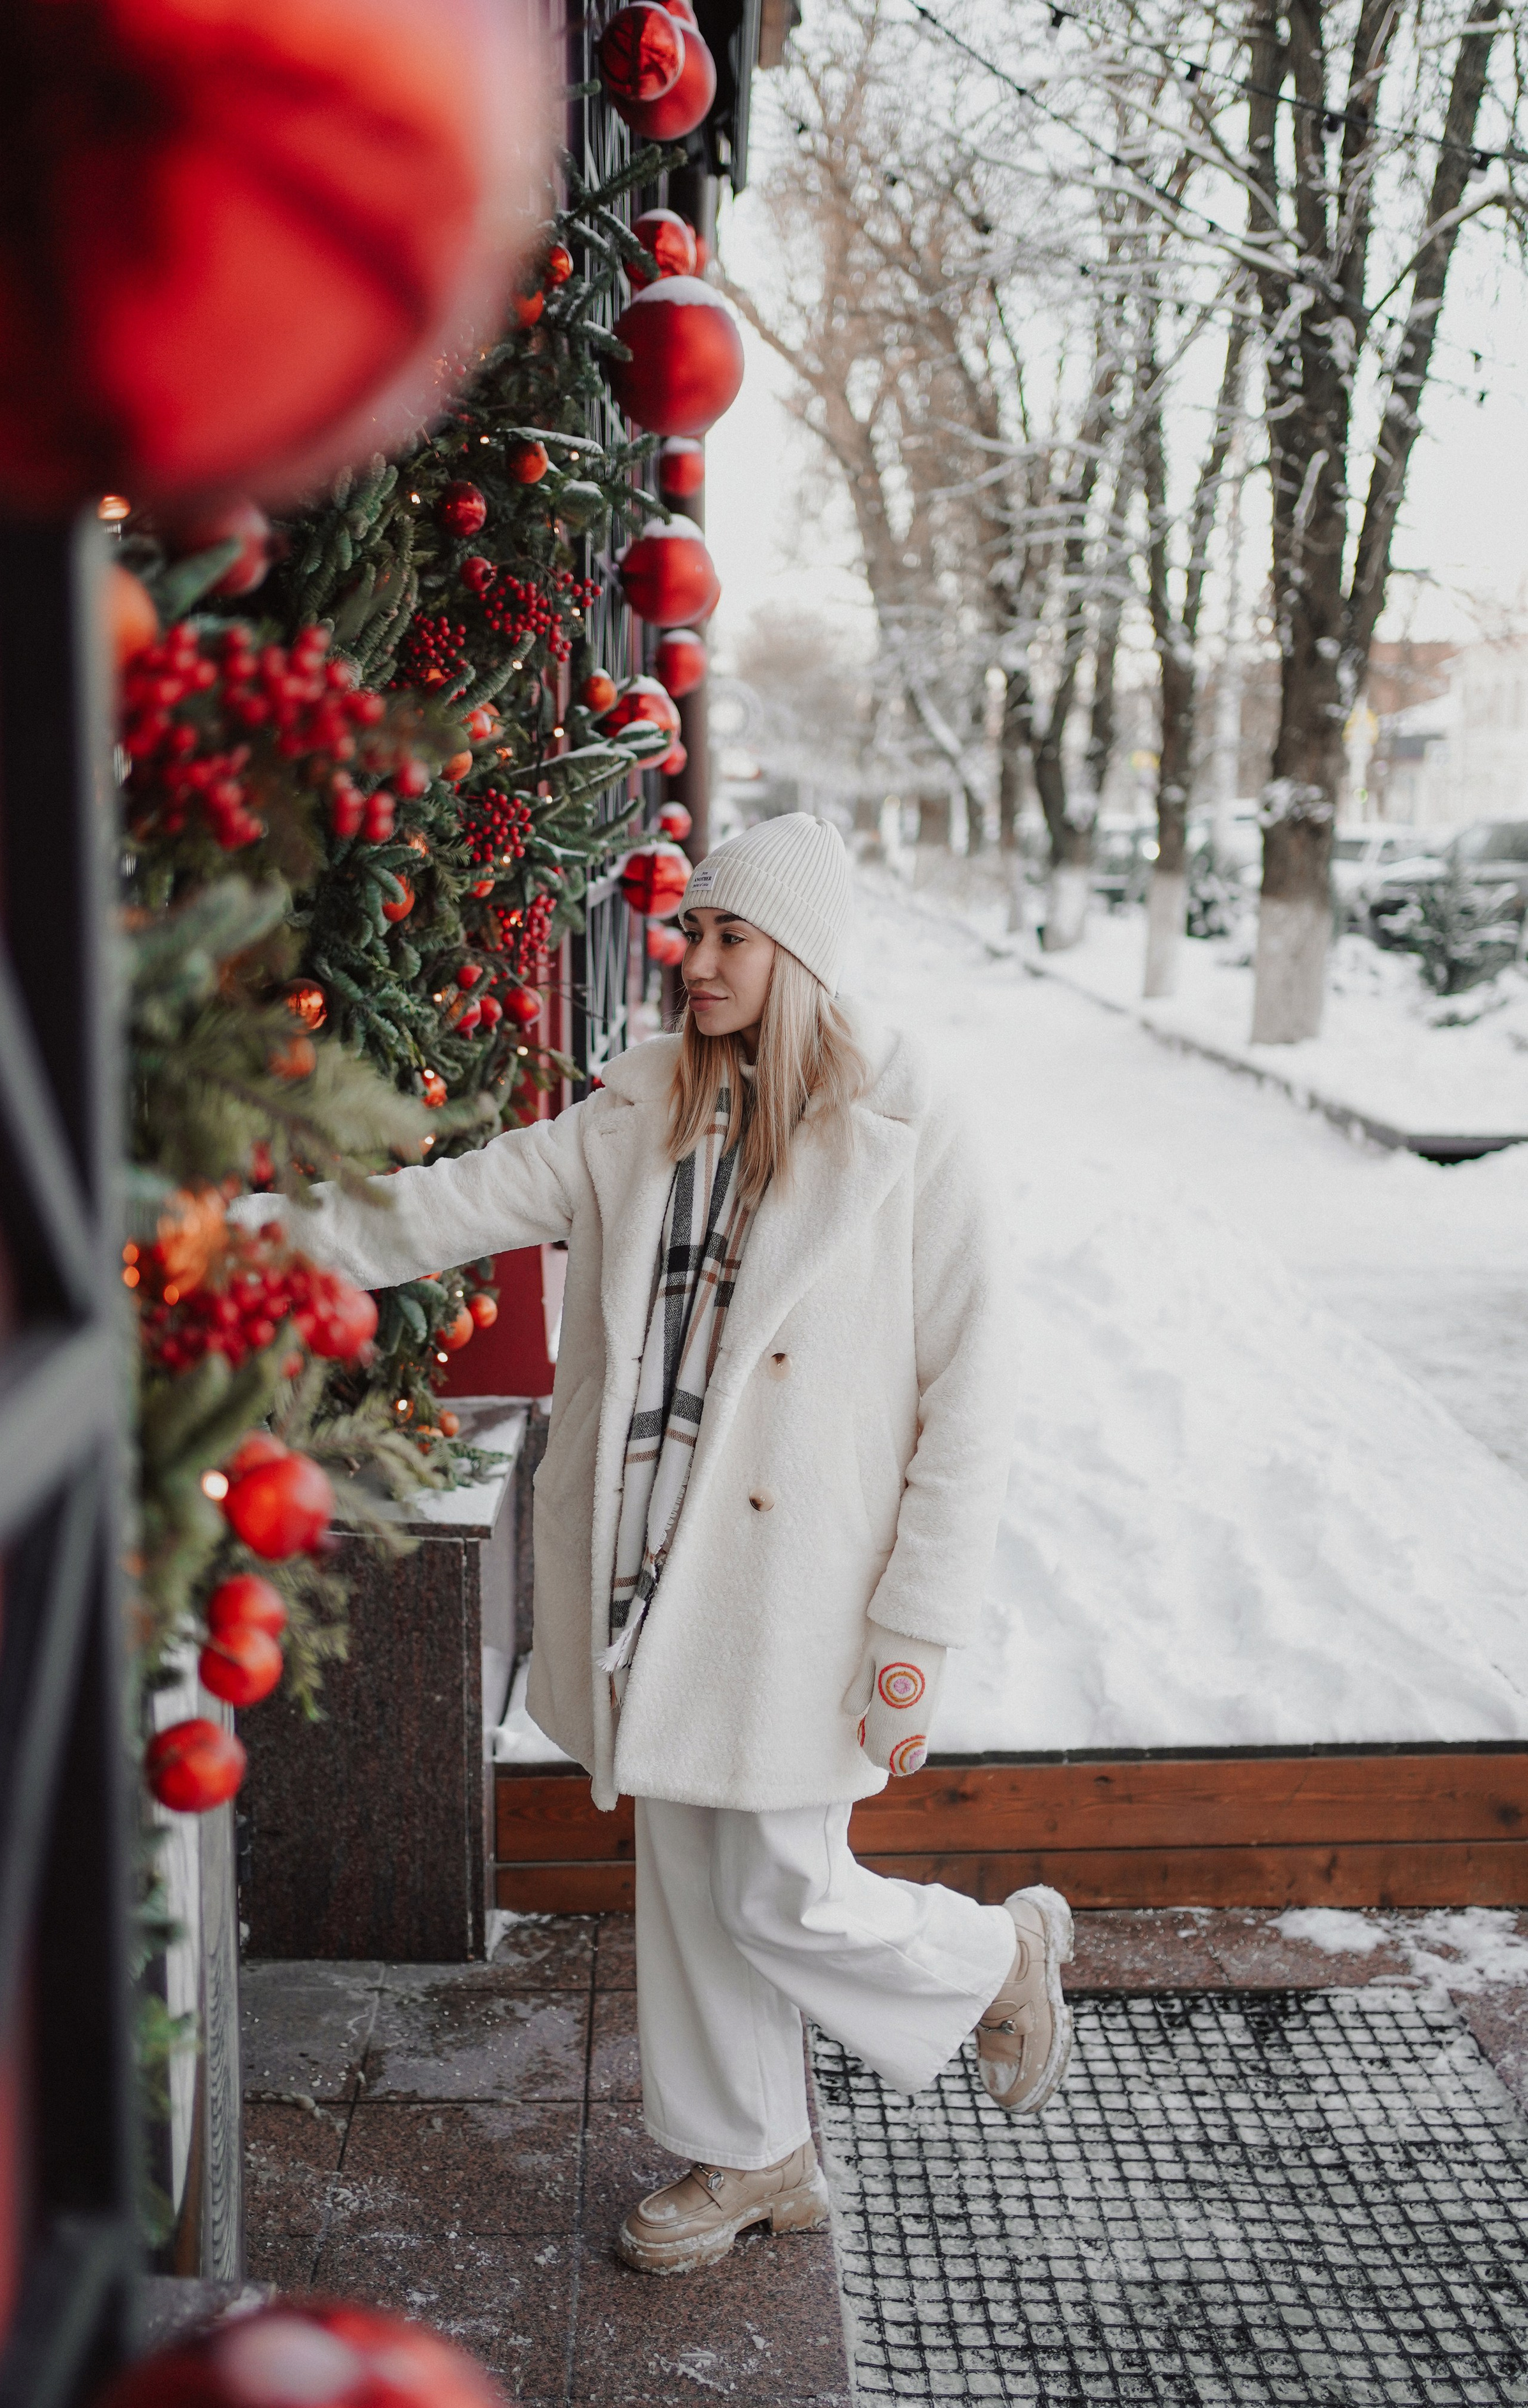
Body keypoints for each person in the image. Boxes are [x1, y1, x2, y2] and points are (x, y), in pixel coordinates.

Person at [232, 811, 1073, 2275]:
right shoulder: (638, 1111)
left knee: (779, 1885)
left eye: (728, 936)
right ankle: (754, 2157)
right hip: (652, 1579)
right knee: (692, 1872)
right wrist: (240, 1240)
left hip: (810, 1589)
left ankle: (999, 1957)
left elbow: (975, 1387)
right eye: (691, 931)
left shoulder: (902, 1122)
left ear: (798, 956)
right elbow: (446, 1202)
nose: (691, 958)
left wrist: (912, 1630)